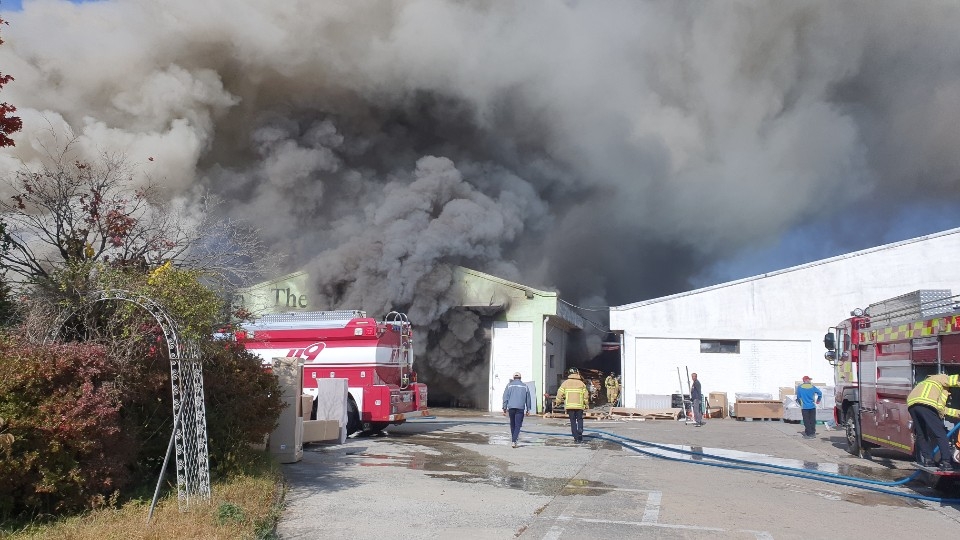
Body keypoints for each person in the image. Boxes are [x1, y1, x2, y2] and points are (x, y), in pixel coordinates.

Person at [907, 373, 960, 470]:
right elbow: (955, 380)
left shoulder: (925, 384)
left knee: (921, 433)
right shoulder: (941, 378)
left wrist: (958, 413)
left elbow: (941, 409)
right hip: (926, 404)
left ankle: (928, 460)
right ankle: (946, 462)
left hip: (912, 404)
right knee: (940, 433)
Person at [555, 368, 589, 443]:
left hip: (570, 406)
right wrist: (586, 404)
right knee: (579, 419)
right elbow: (586, 395)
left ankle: (576, 437)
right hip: (579, 406)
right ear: (577, 373)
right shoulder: (581, 383)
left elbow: (559, 394)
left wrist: (557, 402)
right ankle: (580, 430)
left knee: (573, 421)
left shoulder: (565, 383)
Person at [502, 372, 532, 448]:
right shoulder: (525, 386)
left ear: (513, 378)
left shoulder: (509, 385)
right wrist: (528, 409)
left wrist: (504, 408)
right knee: (518, 425)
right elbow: (528, 398)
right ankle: (514, 441)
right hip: (520, 408)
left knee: (512, 424)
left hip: (511, 407)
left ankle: (513, 440)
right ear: (520, 378)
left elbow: (505, 397)